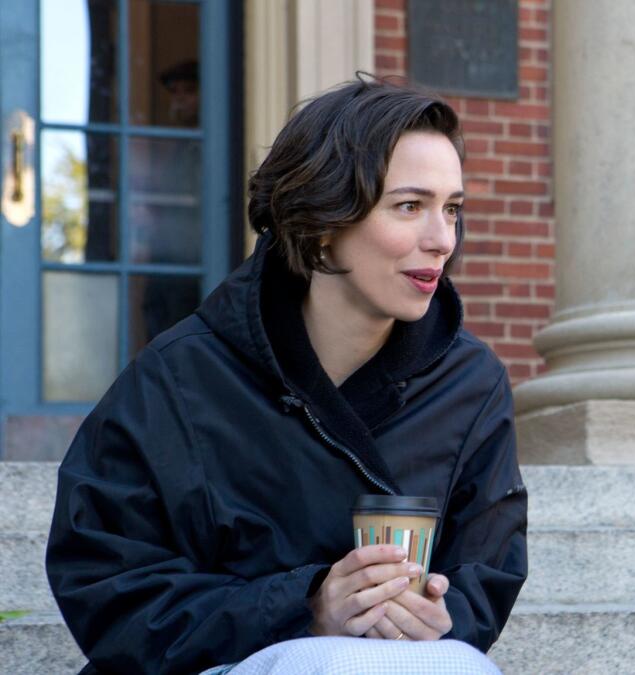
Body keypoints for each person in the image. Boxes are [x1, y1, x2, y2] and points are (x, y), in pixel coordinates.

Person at [46, 77, 527, 675]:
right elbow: (109, 586)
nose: (442, 241)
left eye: (451, 209)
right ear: (323, 217)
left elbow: (485, 572)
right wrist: (307, 607)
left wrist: (440, 613)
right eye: (410, 206)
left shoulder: (470, 382)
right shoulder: (180, 378)